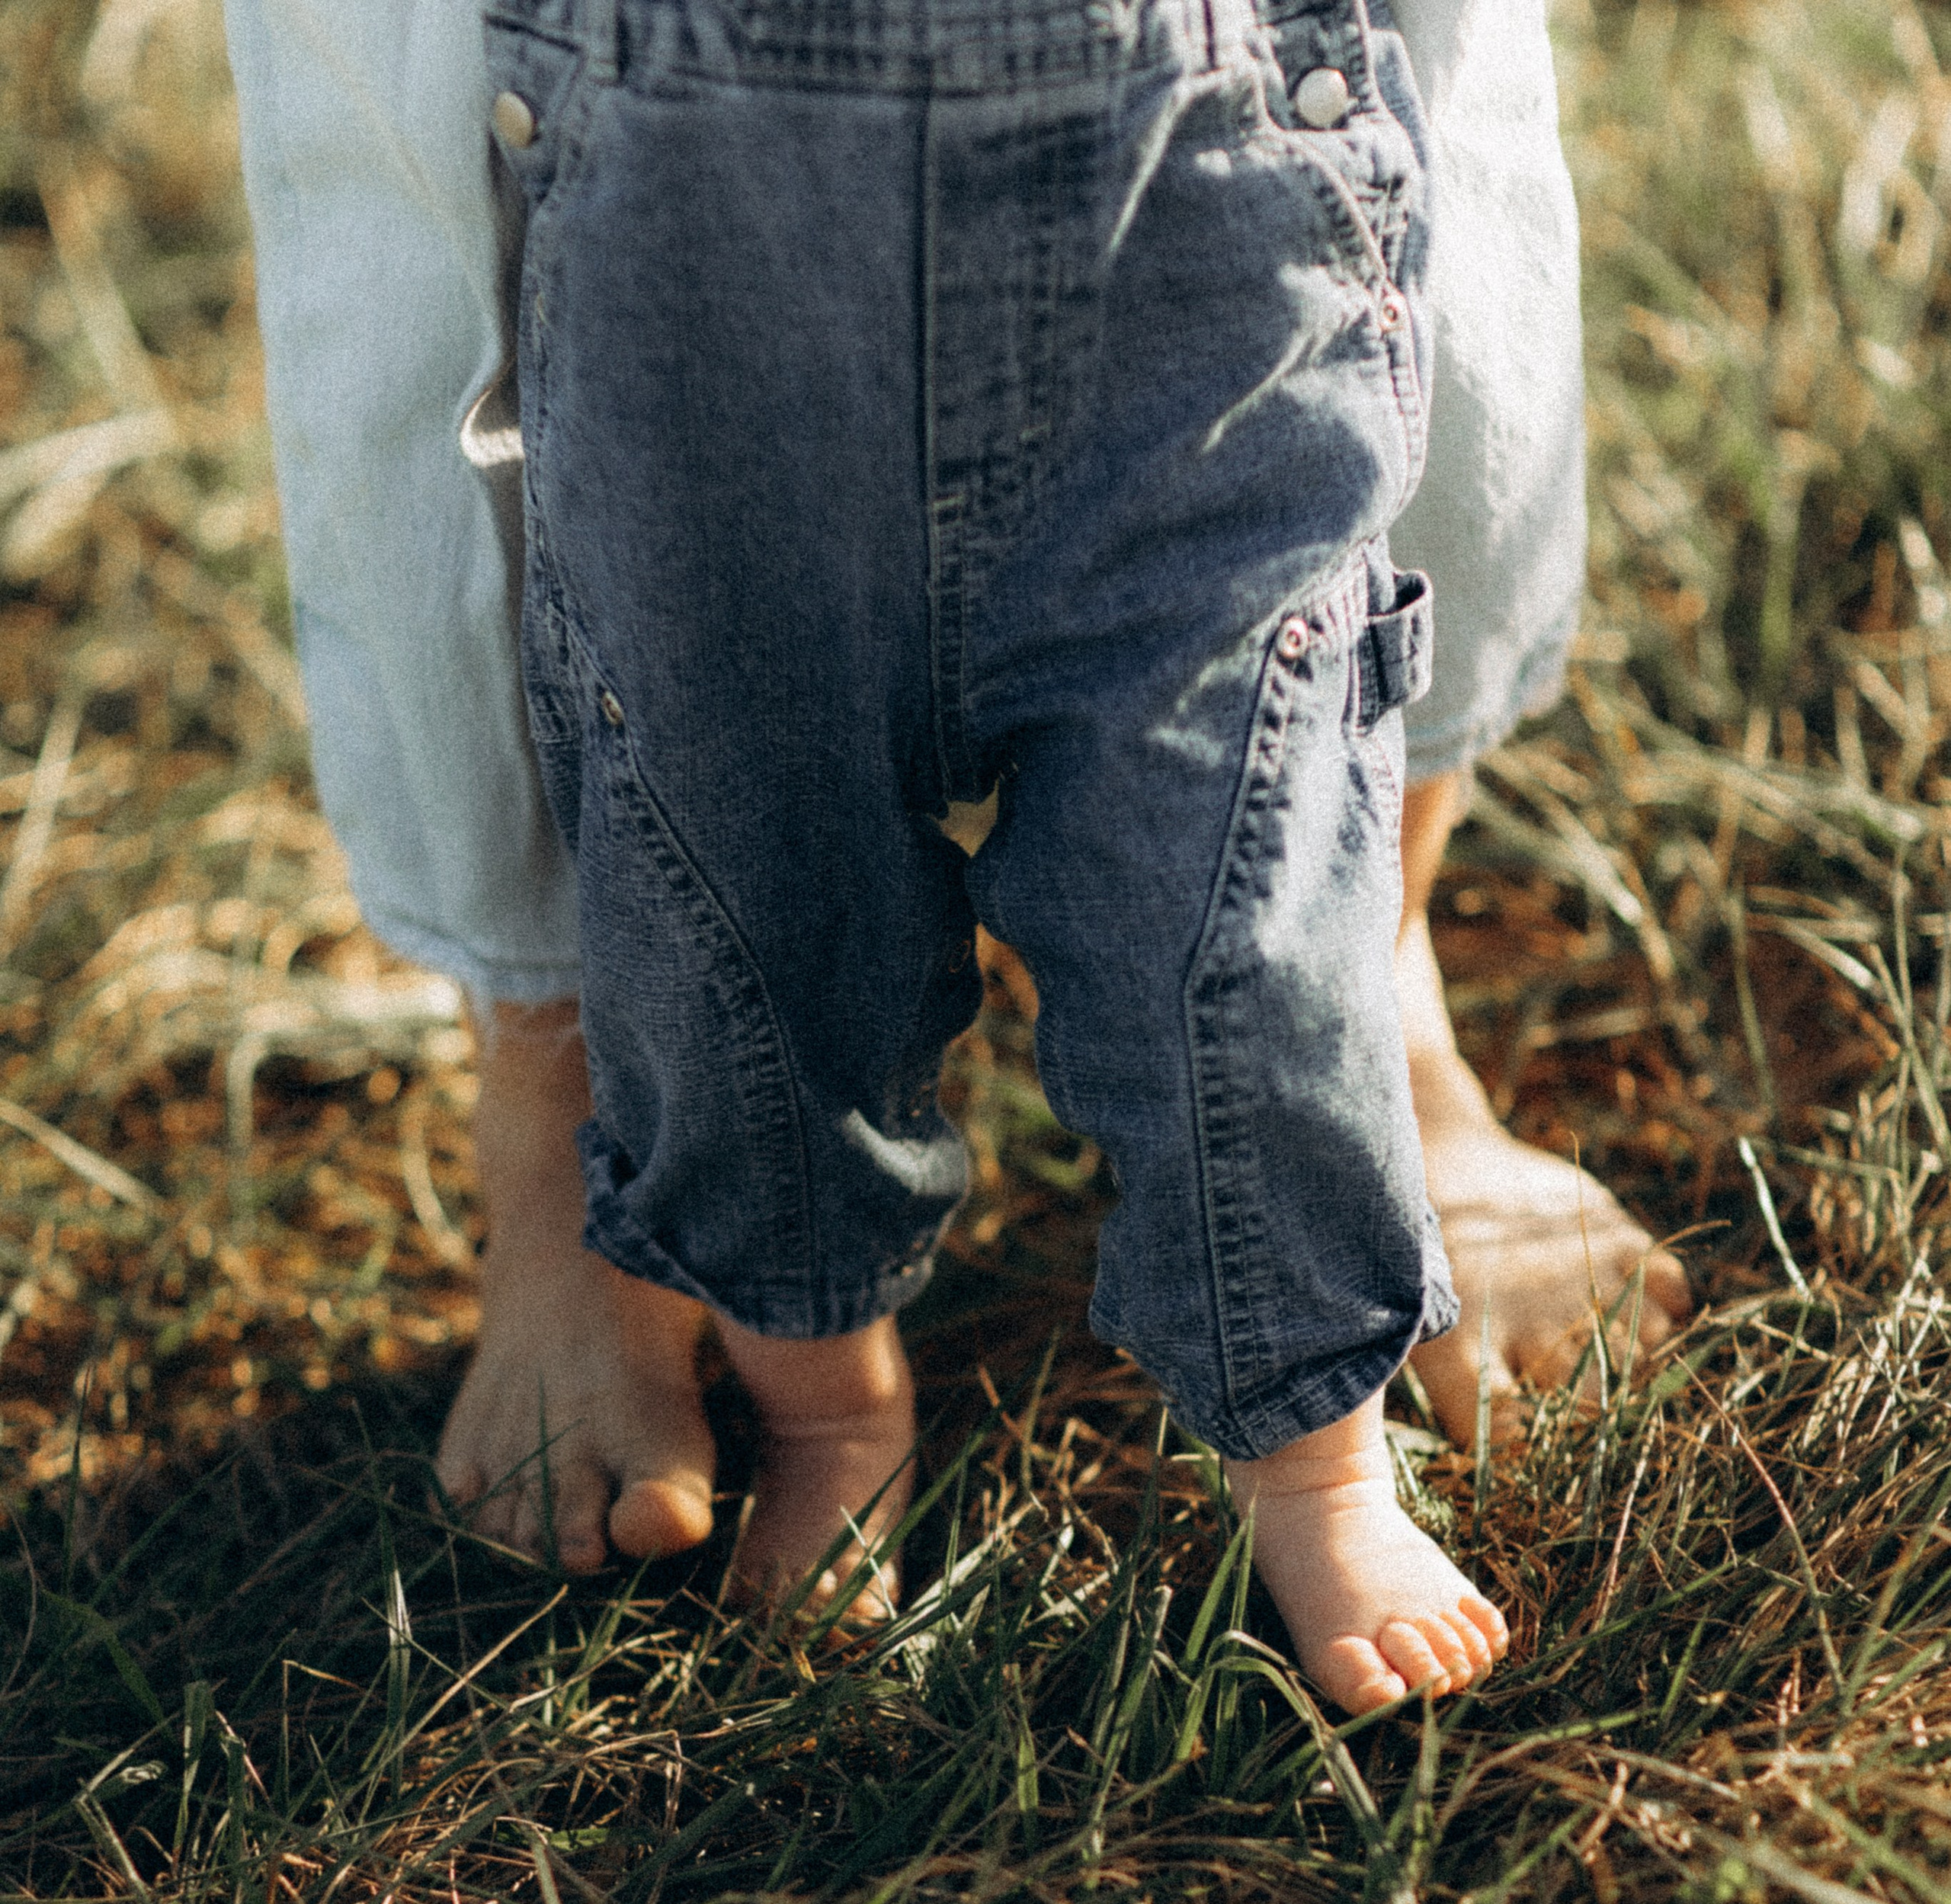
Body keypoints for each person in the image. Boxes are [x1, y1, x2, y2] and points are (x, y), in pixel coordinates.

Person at [218, 0, 1674, 1704]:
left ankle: (1315, 1458)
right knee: (743, 910)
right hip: (688, 195)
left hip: (1192, 177)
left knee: (1242, 873)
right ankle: (826, 1398)